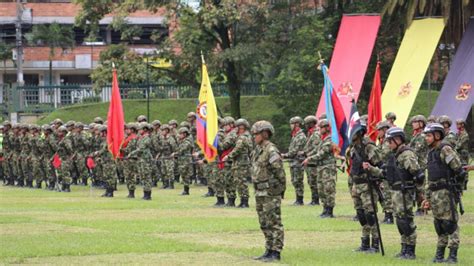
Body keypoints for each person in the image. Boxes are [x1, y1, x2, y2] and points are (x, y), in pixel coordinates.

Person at [364, 127, 424, 259]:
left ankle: (410, 250)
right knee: (400, 222)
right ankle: (404, 248)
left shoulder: (406, 154)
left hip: (404, 192)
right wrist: (371, 169)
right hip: (395, 192)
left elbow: (418, 174)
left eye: (390, 141)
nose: (388, 144)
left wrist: (420, 194)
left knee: (406, 221)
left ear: (398, 140)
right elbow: (385, 174)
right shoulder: (395, 155)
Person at [422, 123, 466, 263]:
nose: (426, 138)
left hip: (446, 192)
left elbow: (458, 170)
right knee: (439, 224)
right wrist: (427, 197)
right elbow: (430, 178)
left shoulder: (445, 149)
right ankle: (439, 254)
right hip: (435, 194)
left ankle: (452, 255)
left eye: (428, 136)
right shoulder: (431, 153)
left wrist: (455, 189)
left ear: (437, 135)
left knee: (450, 224)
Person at [251, 120, 286, 262]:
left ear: (265, 134)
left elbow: (279, 172)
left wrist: (279, 190)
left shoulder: (271, 150)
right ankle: (268, 249)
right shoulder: (258, 151)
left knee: (274, 222)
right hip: (260, 192)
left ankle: (276, 252)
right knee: (264, 222)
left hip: (270, 192)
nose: (254, 137)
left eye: (256, 134)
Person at [349, 122, 382, 253]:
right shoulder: (354, 147)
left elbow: (380, 164)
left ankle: (375, 244)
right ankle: (364, 243)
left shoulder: (368, 146)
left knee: (370, 215)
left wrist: (371, 169)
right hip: (356, 184)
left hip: (367, 185)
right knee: (361, 215)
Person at [304, 119, 336, 218]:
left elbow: (321, 154)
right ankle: (325, 209)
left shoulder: (329, 140)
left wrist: (309, 159)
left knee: (328, 189)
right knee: (321, 189)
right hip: (321, 168)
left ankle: (329, 211)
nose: (319, 129)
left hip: (327, 168)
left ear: (326, 128)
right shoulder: (323, 139)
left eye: (321, 127)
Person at [224, 118, 253, 208]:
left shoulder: (243, 137)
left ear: (242, 127)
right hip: (239, 161)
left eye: (237, 127)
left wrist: (228, 156)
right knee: (238, 181)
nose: (236, 129)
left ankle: (244, 201)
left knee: (241, 181)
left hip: (241, 162)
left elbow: (237, 149)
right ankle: (242, 201)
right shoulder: (242, 136)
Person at [282, 116, 306, 205]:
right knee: (294, 180)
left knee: (298, 180)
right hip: (293, 162)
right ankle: (297, 199)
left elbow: (295, 151)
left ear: (297, 124)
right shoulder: (295, 136)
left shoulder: (300, 136)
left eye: (292, 124)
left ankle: (300, 199)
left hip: (298, 162)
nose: (290, 126)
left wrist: (285, 155)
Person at [409, 115, 429, 216]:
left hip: (420, 165)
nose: (413, 124)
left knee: (420, 187)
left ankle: (422, 208)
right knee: (416, 186)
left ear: (421, 123)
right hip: (415, 164)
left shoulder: (421, 136)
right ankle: (419, 206)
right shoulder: (415, 135)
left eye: (415, 122)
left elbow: (415, 150)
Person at [375, 121, 394, 224]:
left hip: (388, 170)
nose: (377, 132)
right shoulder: (382, 141)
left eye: (379, 130)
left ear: (385, 130)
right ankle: (387, 214)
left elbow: (383, 154)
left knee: (387, 193)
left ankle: (389, 216)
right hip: (383, 169)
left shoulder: (387, 142)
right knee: (384, 193)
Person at [301, 115, 320, 205]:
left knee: (313, 182)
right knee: (311, 181)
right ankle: (314, 199)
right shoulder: (310, 133)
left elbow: (316, 148)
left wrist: (307, 154)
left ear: (312, 124)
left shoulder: (315, 134)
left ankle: (315, 200)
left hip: (313, 162)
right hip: (309, 161)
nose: (305, 126)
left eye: (307, 124)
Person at [174, 127, 194, 195]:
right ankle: (185, 190)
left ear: (185, 134)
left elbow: (181, 150)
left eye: (180, 134)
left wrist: (175, 154)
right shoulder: (182, 141)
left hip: (186, 161)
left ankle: (186, 190)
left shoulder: (187, 142)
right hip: (182, 161)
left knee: (186, 175)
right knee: (183, 175)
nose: (179, 135)